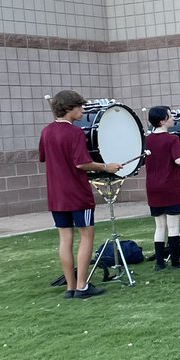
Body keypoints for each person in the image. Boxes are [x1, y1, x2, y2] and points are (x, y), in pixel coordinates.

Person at [38, 90, 120, 299]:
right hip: (76, 194)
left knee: (65, 239)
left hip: (56, 195)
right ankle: (82, 286)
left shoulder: (46, 131)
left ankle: (70, 288)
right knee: (86, 236)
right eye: (79, 107)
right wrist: (106, 167)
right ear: (68, 109)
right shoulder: (75, 133)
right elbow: (81, 163)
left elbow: (44, 157)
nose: (82, 110)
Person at [145, 106, 180, 269]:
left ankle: (159, 263)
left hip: (152, 188)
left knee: (159, 226)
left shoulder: (147, 140)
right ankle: (175, 261)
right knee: (173, 226)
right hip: (169, 187)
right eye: (170, 116)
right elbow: (179, 161)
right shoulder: (172, 139)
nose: (173, 118)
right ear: (162, 121)